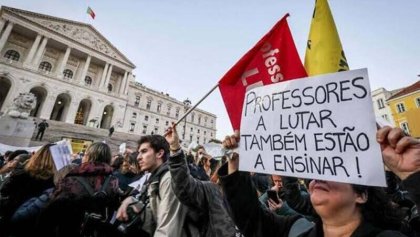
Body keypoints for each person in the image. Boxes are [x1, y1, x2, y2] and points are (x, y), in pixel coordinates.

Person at [218, 127, 420, 237]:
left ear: (361, 194)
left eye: (333, 170)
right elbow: (251, 220)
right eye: (315, 173)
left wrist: (415, 173)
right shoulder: (295, 230)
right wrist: (235, 162)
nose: (318, 177)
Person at [165, 124, 238, 236]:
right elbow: (184, 186)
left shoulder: (244, 197)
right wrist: (175, 149)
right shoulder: (210, 188)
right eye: (230, 164)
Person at [116, 134, 196, 237]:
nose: (138, 157)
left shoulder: (170, 179)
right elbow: (155, 217)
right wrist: (132, 201)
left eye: (144, 151)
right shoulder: (155, 177)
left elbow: (168, 231)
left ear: (159, 153)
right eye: (139, 152)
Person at [38, 142, 120, 237]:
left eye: (85, 154)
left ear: (88, 157)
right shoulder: (114, 181)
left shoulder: (71, 180)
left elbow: (49, 214)